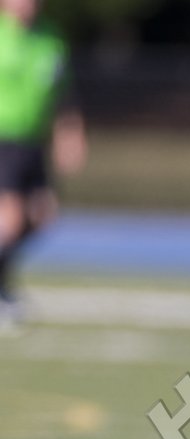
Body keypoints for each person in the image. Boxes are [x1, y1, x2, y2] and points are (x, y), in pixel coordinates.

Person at [0, 0, 86, 331]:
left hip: (32, 142)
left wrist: (70, 133)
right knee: (10, 217)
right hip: (1, 139)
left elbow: (63, 92)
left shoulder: (50, 38)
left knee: (42, 215)